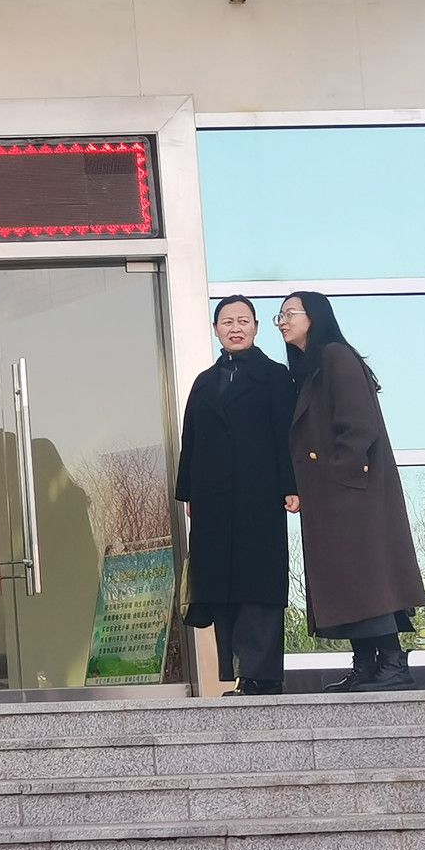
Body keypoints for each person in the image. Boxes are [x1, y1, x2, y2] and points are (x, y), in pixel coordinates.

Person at [277, 291, 425, 691]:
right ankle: (366, 665)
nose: (282, 321)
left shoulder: (335, 356)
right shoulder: (311, 367)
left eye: (290, 313)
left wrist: (340, 475)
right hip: (334, 495)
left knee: (366, 577)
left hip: (350, 493)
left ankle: (392, 664)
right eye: (280, 315)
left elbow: (359, 424)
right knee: (350, 580)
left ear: (315, 316)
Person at [176, 296, 299, 696]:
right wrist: (189, 492)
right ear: (216, 330)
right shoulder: (204, 382)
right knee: (221, 585)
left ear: (256, 328)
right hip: (212, 500)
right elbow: (191, 440)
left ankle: (263, 675)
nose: (235, 328)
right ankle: (240, 674)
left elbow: (286, 436)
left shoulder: (275, 376)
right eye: (227, 321)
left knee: (258, 583)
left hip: (258, 497)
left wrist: (291, 485)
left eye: (243, 321)